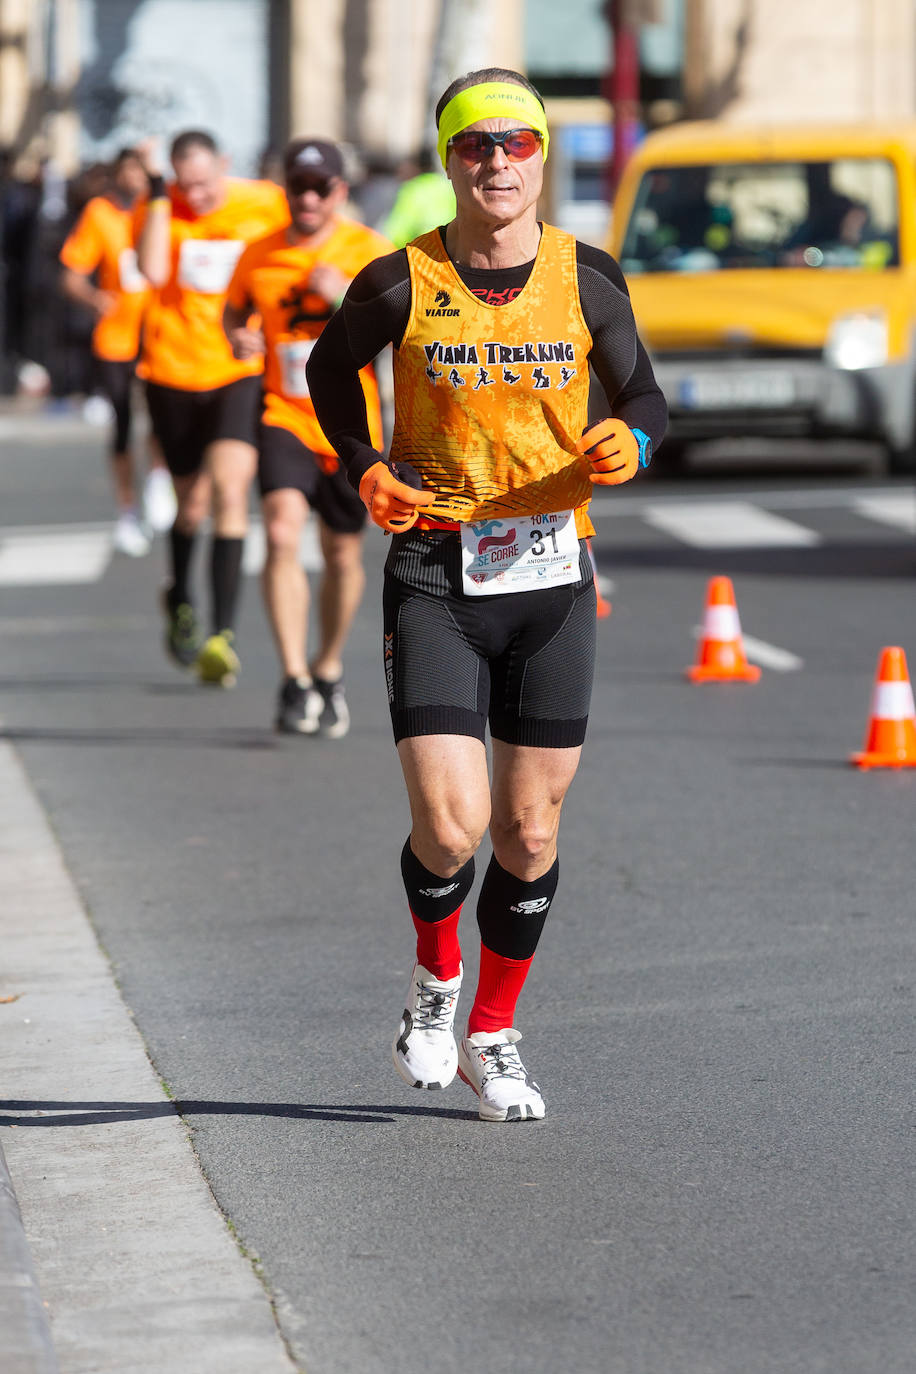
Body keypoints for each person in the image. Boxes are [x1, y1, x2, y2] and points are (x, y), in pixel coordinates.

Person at [307, 68, 667, 1122]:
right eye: (474, 147)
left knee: (529, 831)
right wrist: (363, 464)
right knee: (451, 826)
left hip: (552, 571)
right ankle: (433, 985)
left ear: (543, 154)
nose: (496, 162)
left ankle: (496, 1032)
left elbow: (643, 390)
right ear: (448, 161)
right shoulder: (395, 281)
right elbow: (332, 375)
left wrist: (632, 437)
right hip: (435, 569)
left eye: (515, 143)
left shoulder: (587, 277)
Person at [223, 139, 394, 736]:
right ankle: (294, 678)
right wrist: (240, 339)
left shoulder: (369, 251)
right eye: (300, 187)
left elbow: (412, 332)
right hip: (285, 414)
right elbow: (234, 311)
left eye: (323, 188)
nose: (310, 198)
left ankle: (327, 667)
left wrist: (344, 296)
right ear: (286, 190)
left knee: (343, 554)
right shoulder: (259, 253)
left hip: (350, 426)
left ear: (341, 193)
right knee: (278, 533)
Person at [135, 131, 288, 684]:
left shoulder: (264, 202)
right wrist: (157, 193)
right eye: (184, 183)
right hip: (173, 373)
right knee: (191, 503)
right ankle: (179, 595)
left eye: (204, 181)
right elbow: (152, 271)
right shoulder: (160, 209)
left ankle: (223, 636)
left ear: (225, 164)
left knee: (230, 491)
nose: (195, 194)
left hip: (237, 371)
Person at [60, 148, 176, 556]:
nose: (135, 178)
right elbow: (72, 274)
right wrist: (94, 299)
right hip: (116, 337)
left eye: (142, 171)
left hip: (161, 332)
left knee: (162, 415)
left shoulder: (164, 211)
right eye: (128, 170)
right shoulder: (100, 213)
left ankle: (160, 479)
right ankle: (127, 510)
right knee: (123, 424)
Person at [381, 147, 457, 248]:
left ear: (416, 166)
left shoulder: (411, 189)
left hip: (422, 252)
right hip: (449, 249)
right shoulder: (448, 186)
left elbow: (398, 233)